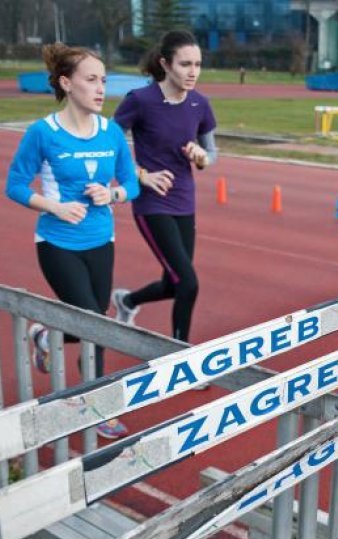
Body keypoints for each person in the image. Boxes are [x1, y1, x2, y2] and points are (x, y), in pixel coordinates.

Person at [6, 43, 139, 438]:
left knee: (94, 324)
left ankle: (46, 335)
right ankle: (94, 405)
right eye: (92, 80)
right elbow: (14, 185)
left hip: (102, 239)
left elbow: (131, 184)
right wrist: (53, 206)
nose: (101, 89)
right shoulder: (43, 133)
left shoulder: (112, 131)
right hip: (57, 243)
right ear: (67, 83)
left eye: (103, 80)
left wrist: (111, 194)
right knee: (94, 323)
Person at [112, 30, 217, 356]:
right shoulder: (140, 101)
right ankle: (180, 357)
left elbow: (211, 154)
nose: (193, 71)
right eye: (185, 64)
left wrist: (202, 158)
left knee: (175, 283)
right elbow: (107, 145)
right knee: (188, 282)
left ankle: (127, 301)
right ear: (165, 64)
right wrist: (141, 175)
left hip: (185, 202)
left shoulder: (200, 103)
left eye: (198, 64)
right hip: (151, 203)